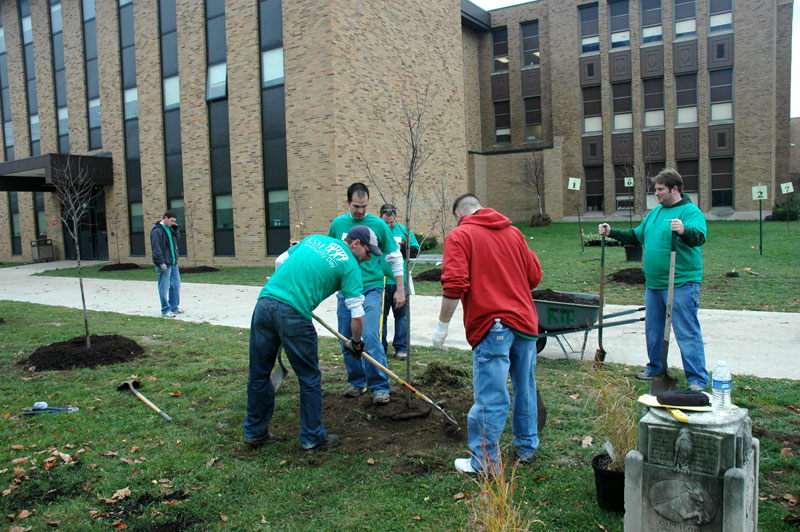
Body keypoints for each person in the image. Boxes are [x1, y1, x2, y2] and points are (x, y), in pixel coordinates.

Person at [432, 194, 543, 476]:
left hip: (493, 326)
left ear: (458, 214)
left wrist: (442, 327)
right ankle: (527, 447)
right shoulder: (513, 232)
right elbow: (534, 277)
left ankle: (483, 463)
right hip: (526, 322)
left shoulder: (460, 236)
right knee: (524, 387)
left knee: (491, 395)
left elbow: (454, 284)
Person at [243, 226, 379, 451]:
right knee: (309, 377)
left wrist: (292, 289)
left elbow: (279, 262)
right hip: (293, 314)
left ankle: (254, 432)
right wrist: (356, 343)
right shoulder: (350, 265)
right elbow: (357, 314)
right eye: (368, 251)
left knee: (259, 372)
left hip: (265, 304)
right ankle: (312, 437)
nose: (368, 258)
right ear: (355, 243)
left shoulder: (315, 239)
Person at [598, 167, 708, 391]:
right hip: (655, 284)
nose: (656, 193)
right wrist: (612, 232)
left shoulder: (690, 212)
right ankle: (656, 367)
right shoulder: (655, 213)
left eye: (660, 189)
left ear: (674, 189)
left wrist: (684, 230)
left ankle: (697, 378)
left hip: (681, 283)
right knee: (653, 329)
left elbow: (699, 237)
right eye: (655, 189)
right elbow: (637, 235)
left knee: (686, 331)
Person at [328, 183, 405, 405]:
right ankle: (357, 382)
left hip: (372, 287)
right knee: (346, 337)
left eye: (364, 206)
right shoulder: (338, 224)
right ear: (347, 203)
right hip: (346, 289)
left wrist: (400, 289)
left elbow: (394, 258)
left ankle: (380, 386)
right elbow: (331, 254)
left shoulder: (379, 225)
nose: (360, 211)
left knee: (370, 335)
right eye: (355, 206)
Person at [379, 204, 420, 360]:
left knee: (401, 316)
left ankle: (401, 347)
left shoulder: (404, 232)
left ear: (396, 218)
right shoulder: (376, 230)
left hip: (399, 282)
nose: (389, 226)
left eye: (391, 222)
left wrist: (400, 249)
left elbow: (415, 251)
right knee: (380, 316)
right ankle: (380, 347)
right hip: (380, 281)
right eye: (386, 222)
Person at [150, 210, 183, 318]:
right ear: (165, 218)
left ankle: (174, 307)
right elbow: (156, 248)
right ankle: (165, 310)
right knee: (164, 287)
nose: (173, 223)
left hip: (173, 263)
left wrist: (176, 230)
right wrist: (160, 263)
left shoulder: (170, 229)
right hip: (164, 264)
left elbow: (176, 242)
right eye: (172, 221)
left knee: (176, 285)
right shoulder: (157, 231)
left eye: (174, 221)